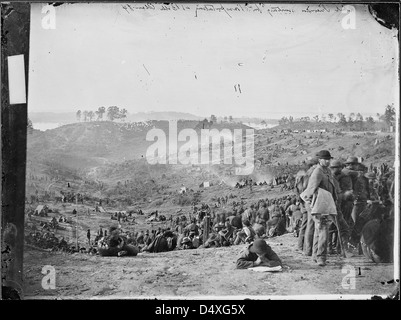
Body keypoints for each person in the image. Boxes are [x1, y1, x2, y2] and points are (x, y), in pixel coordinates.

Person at [301, 150, 337, 266]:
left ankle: (315, 256)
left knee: (319, 231)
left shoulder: (327, 171)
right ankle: (321, 257)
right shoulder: (317, 172)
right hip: (319, 205)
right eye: (325, 159)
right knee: (323, 230)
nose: (327, 161)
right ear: (320, 160)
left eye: (329, 159)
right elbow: (310, 190)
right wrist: (311, 204)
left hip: (326, 204)